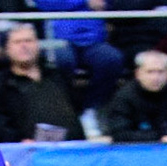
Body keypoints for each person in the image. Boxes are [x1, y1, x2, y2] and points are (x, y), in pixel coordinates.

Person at [31, 0, 128, 130]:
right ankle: (66, 108)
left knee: (111, 59)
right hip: (58, 37)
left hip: (94, 38)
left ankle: (92, 108)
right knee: (63, 60)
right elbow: (44, 3)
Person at [0, 23, 87, 141]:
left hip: (72, 147)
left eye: (28, 41)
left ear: (37, 45)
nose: (24, 46)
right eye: (17, 42)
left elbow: (77, 106)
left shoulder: (58, 75)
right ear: (7, 49)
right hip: (26, 151)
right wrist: (18, 140)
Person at [103, 48, 167, 141]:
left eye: (160, 72)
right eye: (150, 72)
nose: (155, 77)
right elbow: (120, 132)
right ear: (138, 74)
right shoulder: (124, 97)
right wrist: (160, 137)